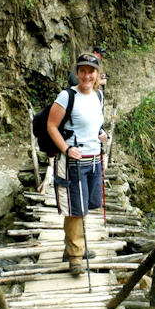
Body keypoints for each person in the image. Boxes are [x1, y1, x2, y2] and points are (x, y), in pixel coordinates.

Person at [47, 53, 108, 275]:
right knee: (76, 210)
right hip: (74, 161)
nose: (86, 75)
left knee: (86, 205)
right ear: (77, 72)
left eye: (91, 71)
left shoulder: (99, 96)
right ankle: (75, 257)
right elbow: (51, 126)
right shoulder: (66, 96)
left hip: (94, 160)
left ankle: (71, 247)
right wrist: (65, 149)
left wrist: (101, 133)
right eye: (82, 70)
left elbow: (94, 124)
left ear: (97, 73)